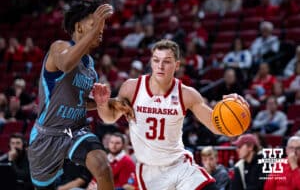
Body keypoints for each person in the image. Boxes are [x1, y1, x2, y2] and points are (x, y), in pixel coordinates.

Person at [93, 39, 248, 190]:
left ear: (177, 65)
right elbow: (109, 117)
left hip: (179, 165)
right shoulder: (132, 88)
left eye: (166, 61)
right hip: (150, 171)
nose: (160, 66)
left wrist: (238, 114)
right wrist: (101, 104)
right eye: (156, 60)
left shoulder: (186, 94)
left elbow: (216, 126)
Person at [27, 0, 131, 190]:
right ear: (79, 27)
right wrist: (92, 33)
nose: (101, 29)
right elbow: (66, 64)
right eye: (94, 24)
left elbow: (79, 102)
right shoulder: (59, 47)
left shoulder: (90, 67)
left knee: (102, 166)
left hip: (76, 130)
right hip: (47, 135)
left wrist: (105, 102)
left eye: (102, 25)